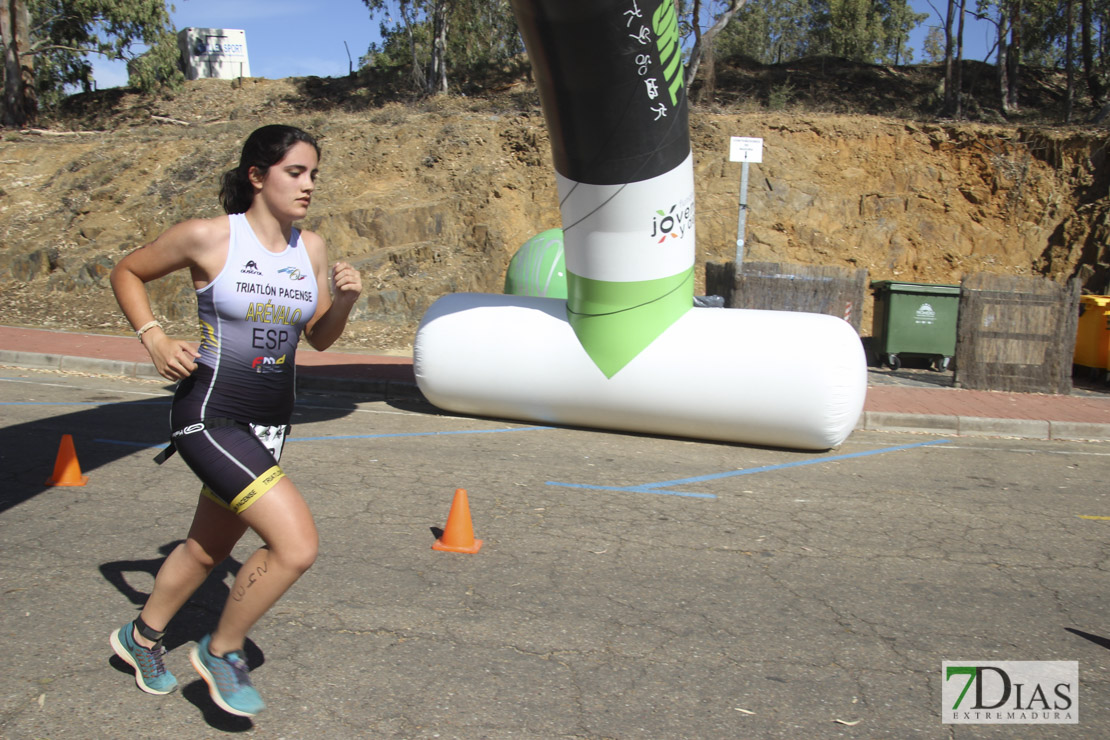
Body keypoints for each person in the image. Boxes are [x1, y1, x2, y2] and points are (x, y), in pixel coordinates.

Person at [108, 124, 362, 717]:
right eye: (295, 172)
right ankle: (222, 651)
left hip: (269, 426)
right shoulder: (209, 237)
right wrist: (153, 337)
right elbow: (127, 271)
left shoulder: (313, 249)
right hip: (211, 416)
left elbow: (319, 339)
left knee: (204, 550)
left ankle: (139, 638)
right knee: (296, 546)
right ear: (257, 176)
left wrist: (345, 302)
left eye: (314, 174)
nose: (308, 185)